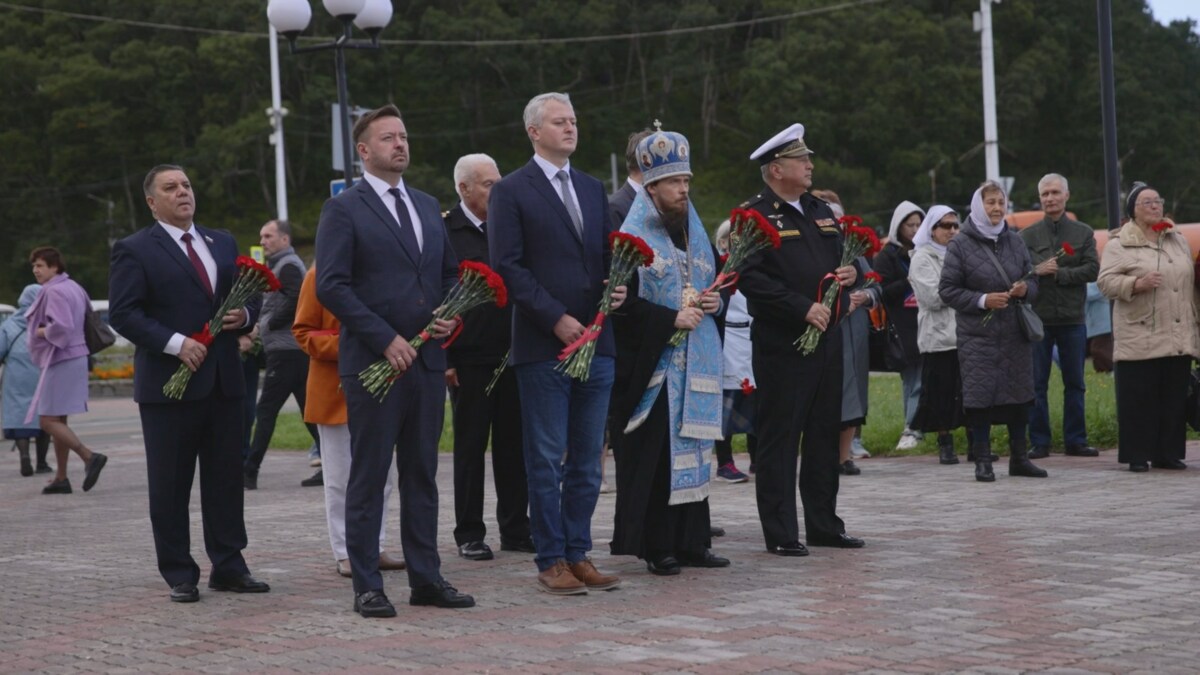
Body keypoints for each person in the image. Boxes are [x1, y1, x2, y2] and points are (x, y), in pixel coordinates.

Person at [316, 104, 473, 618]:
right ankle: (367, 584)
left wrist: (450, 315)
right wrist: (385, 339)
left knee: (422, 474)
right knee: (370, 474)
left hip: (427, 363)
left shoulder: (429, 205)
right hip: (375, 366)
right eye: (388, 139)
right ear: (364, 151)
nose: (400, 145)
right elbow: (332, 285)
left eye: (404, 137)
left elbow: (449, 274)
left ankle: (426, 577)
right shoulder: (345, 208)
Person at [109, 164, 269, 603]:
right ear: (151, 201)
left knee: (224, 479)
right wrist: (176, 344)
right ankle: (180, 571)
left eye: (186, 185)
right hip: (168, 387)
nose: (183, 192)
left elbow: (248, 293)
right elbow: (124, 312)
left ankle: (230, 566)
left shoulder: (221, 242)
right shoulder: (135, 249)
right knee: (171, 484)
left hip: (222, 382)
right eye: (170, 187)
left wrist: (246, 317)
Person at [489, 92, 627, 595]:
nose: (570, 128)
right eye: (559, 122)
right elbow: (509, 266)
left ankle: (578, 552)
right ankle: (550, 558)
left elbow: (608, 254)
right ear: (534, 132)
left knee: (588, 460)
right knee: (547, 457)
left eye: (573, 120)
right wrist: (557, 319)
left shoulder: (593, 189)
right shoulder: (511, 191)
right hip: (545, 345)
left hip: (599, 340)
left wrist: (619, 285)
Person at [737, 122, 864, 555]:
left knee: (824, 433)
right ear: (776, 169)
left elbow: (846, 263)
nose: (810, 165)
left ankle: (824, 525)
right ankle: (781, 532)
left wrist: (852, 275)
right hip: (784, 342)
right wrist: (800, 307)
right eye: (801, 160)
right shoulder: (752, 216)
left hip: (827, 339)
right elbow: (749, 278)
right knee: (781, 436)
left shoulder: (820, 209)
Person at [608, 126, 730, 576]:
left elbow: (706, 285)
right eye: (674, 184)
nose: (683, 191)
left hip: (692, 360)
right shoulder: (631, 234)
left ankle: (693, 540)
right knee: (659, 457)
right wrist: (668, 320)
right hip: (654, 366)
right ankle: (659, 545)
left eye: (686, 183)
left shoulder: (692, 234)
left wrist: (715, 301)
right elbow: (619, 307)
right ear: (652, 187)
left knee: (696, 450)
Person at [443, 153, 533, 561]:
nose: (497, 190)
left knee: (515, 446)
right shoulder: (446, 231)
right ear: (464, 189)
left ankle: (515, 528)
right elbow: (439, 297)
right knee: (471, 445)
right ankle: (469, 532)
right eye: (488, 184)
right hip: (469, 358)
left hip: (515, 350)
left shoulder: (510, 224)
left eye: (499, 181)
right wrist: (445, 359)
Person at [293, 266, 405, 577]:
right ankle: (345, 551)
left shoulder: (382, 272)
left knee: (383, 476)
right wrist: (356, 344)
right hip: (334, 391)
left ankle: (374, 545)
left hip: (380, 387)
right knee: (341, 477)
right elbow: (303, 332)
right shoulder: (318, 275)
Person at [938, 181, 1046, 482]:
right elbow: (947, 290)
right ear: (978, 206)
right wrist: (983, 300)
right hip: (978, 337)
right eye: (991, 203)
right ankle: (982, 460)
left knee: (1020, 397)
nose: (997, 208)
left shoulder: (1015, 240)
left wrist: (1026, 290)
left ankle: (1019, 459)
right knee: (980, 398)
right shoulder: (961, 244)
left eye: (1001, 202)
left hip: (1014, 334)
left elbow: (1034, 282)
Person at [1096, 182, 1196, 472]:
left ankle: (1168, 453)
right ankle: (1137, 455)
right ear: (1133, 212)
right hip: (1139, 331)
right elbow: (1105, 282)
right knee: (1139, 398)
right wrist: (1135, 284)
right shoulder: (1119, 244)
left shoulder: (1177, 240)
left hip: (1176, 330)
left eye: (1158, 201)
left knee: (1174, 395)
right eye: (1147, 202)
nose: (1155, 206)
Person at [1019, 173, 1100, 459]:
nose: (1050, 199)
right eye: (1045, 194)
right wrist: (1036, 272)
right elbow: (1017, 272)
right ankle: (1039, 442)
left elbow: (1092, 270)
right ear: (1040, 199)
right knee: (1036, 383)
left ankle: (1076, 440)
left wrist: (1061, 274)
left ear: (1066, 196)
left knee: (1075, 382)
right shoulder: (1026, 236)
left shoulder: (1083, 233)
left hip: (1072, 319)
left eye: (1055, 193)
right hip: (1038, 319)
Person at [243, 219, 320, 490]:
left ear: (284, 240)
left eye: (268, 236)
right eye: (261, 236)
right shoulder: (281, 264)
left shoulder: (288, 265)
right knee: (309, 413)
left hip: (287, 351)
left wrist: (271, 323)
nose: (263, 241)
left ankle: (249, 471)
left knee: (265, 411)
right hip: (288, 350)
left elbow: (297, 297)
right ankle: (330, 465)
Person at [25, 247, 106, 495]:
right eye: (34, 266)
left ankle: (89, 456)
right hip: (76, 356)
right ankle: (61, 477)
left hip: (61, 357)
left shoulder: (55, 290)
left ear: (54, 267)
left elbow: (61, 328)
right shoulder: (73, 286)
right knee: (59, 418)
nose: (36, 271)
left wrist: (39, 332)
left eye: (40, 265)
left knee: (47, 420)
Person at [813, 188, 878, 476]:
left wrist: (861, 297)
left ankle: (843, 456)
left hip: (854, 329)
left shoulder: (853, 249)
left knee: (853, 392)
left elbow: (874, 285)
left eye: (839, 217)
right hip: (825, 326)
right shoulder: (811, 248)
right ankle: (822, 455)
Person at [909, 206, 969, 464]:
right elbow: (932, 297)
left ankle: (976, 443)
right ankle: (945, 443)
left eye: (956, 226)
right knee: (941, 392)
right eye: (946, 226)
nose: (952, 231)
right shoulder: (922, 257)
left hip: (966, 333)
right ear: (932, 230)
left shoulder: (963, 254)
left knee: (969, 391)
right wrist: (962, 291)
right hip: (938, 336)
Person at [874, 201, 925, 451]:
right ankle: (911, 427)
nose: (915, 230)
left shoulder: (925, 250)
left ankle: (926, 426)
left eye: (919, 224)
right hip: (903, 327)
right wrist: (908, 279)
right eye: (910, 225)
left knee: (927, 378)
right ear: (899, 226)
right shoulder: (888, 255)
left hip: (926, 322)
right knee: (912, 380)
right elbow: (882, 291)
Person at [711, 219, 754, 482]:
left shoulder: (754, 267)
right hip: (729, 338)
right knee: (727, 402)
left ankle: (757, 459)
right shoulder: (721, 269)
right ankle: (725, 461)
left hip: (751, 337)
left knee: (756, 401)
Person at [1, 284, 51, 477]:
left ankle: (24, 456)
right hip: (43, 375)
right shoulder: (48, 322)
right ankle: (42, 463)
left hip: (16, 376)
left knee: (18, 415)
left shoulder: (10, 325)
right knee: (45, 416)